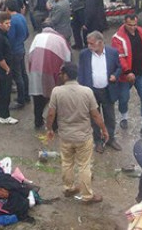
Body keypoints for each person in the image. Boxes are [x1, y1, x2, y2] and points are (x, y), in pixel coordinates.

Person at [46, 62, 108, 204]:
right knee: (84, 165)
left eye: (61, 73)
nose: (60, 75)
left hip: (65, 136)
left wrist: (49, 129)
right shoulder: (87, 92)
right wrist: (104, 130)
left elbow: (50, 114)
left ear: (66, 75)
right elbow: (96, 115)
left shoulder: (57, 91)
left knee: (67, 162)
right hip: (83, 136)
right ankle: (87, 196)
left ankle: (68, 188)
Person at [77, 31, 123, 153]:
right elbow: (81, 72)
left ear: (100, 42)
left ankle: (110, 139)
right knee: (94, 118)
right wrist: (82, 89)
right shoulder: (84, 54)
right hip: (91, 92)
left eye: (91, 43)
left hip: (108, 90)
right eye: (88, 43)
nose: (89, 46)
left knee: (110, 116)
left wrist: (115, 75)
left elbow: (119, 67)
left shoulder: (112, 53)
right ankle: (98, 141)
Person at [112, 14, 142, 137]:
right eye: (130, 25)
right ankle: (123, 117)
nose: (133, 28)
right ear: (125, 23)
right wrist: (127, 71)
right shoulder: (117, 38)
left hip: (141, 73)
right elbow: (120, 57)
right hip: (126, 76)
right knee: (124, 98)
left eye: (135, 25)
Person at [28, 27, 71, 129]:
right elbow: (67, 58)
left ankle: (38, 122)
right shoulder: (60, 39)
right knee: (54, 99)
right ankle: (54, 125)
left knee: (37, 99)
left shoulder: (37, 37)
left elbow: (30, 56)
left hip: (36, 72)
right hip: (53, 74)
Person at [0, 12, 18, 125]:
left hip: (3, 67)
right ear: (0, 24)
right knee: (6, 92)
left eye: (10, 23)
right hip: (3, 68)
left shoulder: (2, 33)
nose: (9, 25)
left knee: (2, 89)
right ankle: (4, 116)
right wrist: (7, 69)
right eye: (7, 23)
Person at [5, 0, 30, 110]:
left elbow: (10, 38)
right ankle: (26, 95)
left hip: (14, 51)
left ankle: (21, 100)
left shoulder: (12, 20)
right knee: (23, 73)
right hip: (21, 48)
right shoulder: (21, 17)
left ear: (7, 9)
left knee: (17, 75)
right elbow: (27, 34)